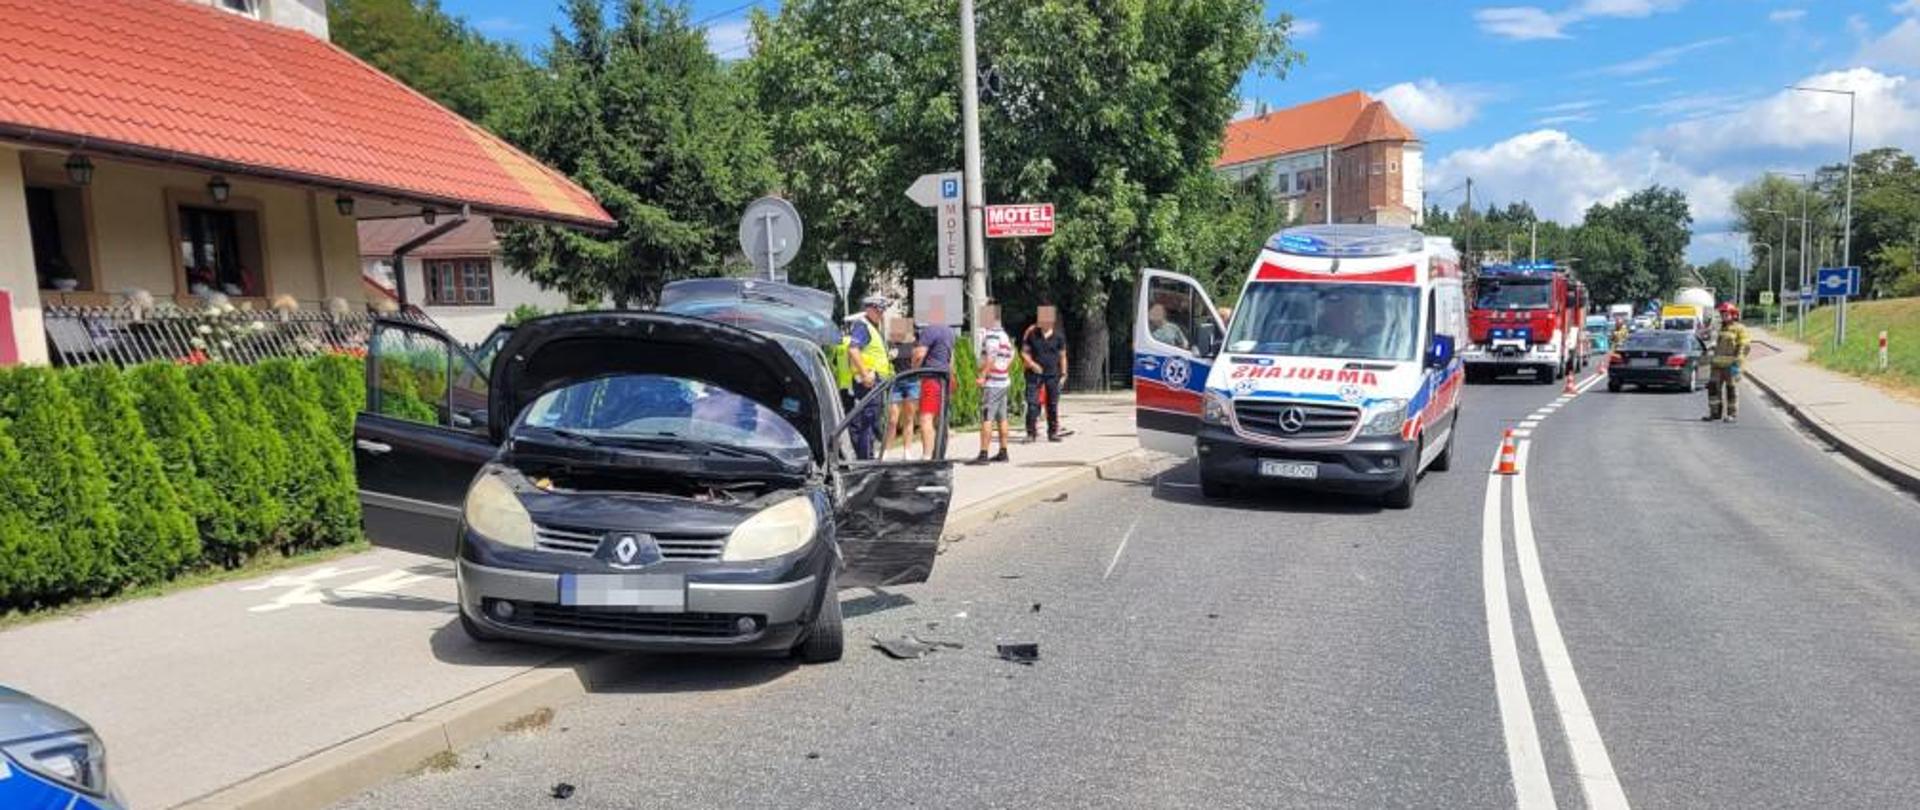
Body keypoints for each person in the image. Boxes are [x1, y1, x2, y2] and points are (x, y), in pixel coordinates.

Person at [845, 295, 893, 459]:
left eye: (883, 311)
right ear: (869, 309)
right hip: (869, 381)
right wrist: (865, 374)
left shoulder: (871, 326)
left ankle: (867, 457)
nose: (882, 314)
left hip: (875, 381)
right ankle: (866, 459)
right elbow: (853, 350)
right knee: (868, 421)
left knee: (871, 420)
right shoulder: (863, 326)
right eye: (879, 311)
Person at [911, 304, 958, 460]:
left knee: (926, 417)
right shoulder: (950, 332)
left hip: (930, 376)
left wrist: (914, 370)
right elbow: (951, 359)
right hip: (944, 377)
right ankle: (939, 454)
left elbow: (919, 354)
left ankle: (927, 456)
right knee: (941, 419)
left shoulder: (930, 330)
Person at [970, 306, 1015, 464]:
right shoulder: (1004, 335)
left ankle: (983, 454)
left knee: (987, 417)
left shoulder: (992, 336)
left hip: (993, 383)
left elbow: (991, 357)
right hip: (1004, 381)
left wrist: (983, 375)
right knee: (1002, 418)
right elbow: (1012, 355)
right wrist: (1004, 369)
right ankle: (1003, 452)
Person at [1022, 306, 1068, 442]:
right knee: (1032, 404)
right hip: (1034, 374)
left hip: (1053, 374)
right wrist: (1032, 364)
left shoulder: (1058, 337)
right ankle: (1031, 433)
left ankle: (1052, 432)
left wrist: (1064, 373)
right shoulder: (1032, 334)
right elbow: (1024, 353)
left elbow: (1063, 356)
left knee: (1052, 404)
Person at [1704, 302, 1751, 423]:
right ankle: (1714, 413)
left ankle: (1732, 414)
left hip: (1731, 366)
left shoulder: (1739, 329)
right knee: (1713, 389)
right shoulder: (1718, 328)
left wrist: (1738, 363)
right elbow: (1710, 343)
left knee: (1731, 389)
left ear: (1733, 314)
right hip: (1716, 365)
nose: (1723, 316)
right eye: (1722, 314)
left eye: (1726, 314)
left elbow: (1744, 346)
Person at [886, 320, 919, 457]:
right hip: (897, 383)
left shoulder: (915, 343)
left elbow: (919, 362)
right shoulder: (892, 344)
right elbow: (886, 363)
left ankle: (907, 450)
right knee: (893, 419)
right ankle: (886, 451)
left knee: (909, 418)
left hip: (912, 382)